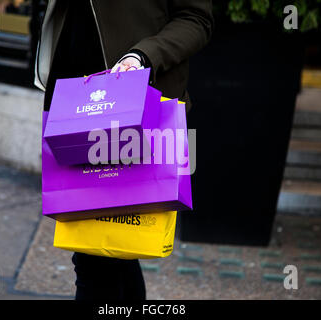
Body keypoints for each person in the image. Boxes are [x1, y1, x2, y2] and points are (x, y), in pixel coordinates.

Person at [35, 0, 213, 301]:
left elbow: (196, 18)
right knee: (112, 250)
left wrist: (143, 56)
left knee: (97, 260)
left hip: (136, 103)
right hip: (74, 99)